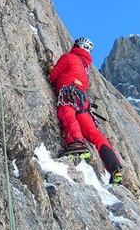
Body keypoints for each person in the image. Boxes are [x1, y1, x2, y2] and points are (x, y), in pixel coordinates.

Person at [48, 37, 123, 185]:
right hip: (82, 100)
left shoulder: (68, 57)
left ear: (76, 45)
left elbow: (53, 77)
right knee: (93, 133)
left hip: (69, 92)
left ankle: (76, 143)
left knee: (66, 113)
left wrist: (50, 68)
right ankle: (114, 167)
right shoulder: (85, 67)